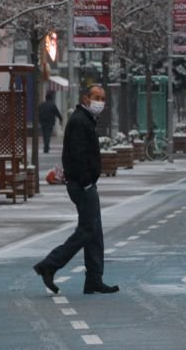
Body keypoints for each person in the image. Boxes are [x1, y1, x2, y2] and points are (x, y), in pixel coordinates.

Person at [33, 85, 119, 295]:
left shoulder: (85, 119)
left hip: (85, 183)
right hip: (82, 185)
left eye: (102, 98)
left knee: (94, 232)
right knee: (87, 231)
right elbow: (78, 155)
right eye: (96, 97)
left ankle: (94, 280)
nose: (100, 102)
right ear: (86, 99)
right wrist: (86, 181)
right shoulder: (80, 121)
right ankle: (50, 265)